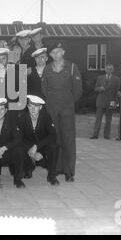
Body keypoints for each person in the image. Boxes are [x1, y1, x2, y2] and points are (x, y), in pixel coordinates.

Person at [41, 42, 82, 182]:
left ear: (63, 52)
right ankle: (56, 168)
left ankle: (69, 171)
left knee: (68, 139)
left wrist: (68, 102)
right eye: (52, 53)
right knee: (55, 138)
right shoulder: (47, 69)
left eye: (57, 52)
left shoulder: (71, 67)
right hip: (52, 107)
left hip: (67, 108)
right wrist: (52, 102)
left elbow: (78, 90)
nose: (55, 55)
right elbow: (44, 89)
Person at [18, 95, 59, 185]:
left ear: (40, 107)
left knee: (54, 146)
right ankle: (28, 167)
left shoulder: (46, 117)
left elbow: (53, 135)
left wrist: (38, 149)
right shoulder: (22, 118)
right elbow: (19, 138)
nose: (33, 109)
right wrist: (30, 149)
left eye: (35, 107)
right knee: (18, 148)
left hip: (42, 145)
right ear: (27, 106)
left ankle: (52, 176)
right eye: (30, 106)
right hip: (28, 146)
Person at [90, 63, 120, 139]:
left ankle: (106, 136)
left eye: (110, 69)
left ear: (112, 70)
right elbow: (95, 88)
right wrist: (100, 88)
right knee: (98, 119)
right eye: (107, 69)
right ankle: (95, 135)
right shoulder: (100, 78)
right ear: (105, 70)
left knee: (108, 120)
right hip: (100, 102)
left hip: (110, 102)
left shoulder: (116, 79)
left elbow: (117, 91)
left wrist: (116, 102)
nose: (108, 70)